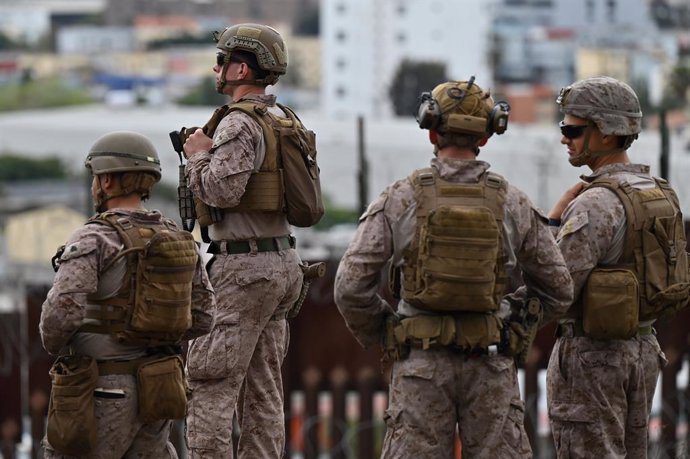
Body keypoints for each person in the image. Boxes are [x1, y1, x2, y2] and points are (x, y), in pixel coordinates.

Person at [334, 78, 574, 458]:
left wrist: (388, 331)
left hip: (420, 366)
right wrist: (513, 319)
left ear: (431, 132)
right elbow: (558, 288)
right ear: (487, 136)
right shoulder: (512, 201)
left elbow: (350, 286)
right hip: (491, 364)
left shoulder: (401, 197)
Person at [39, 131, 216, 458]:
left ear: (106, 183)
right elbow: (204, 316)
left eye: (97, 177)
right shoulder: (177, 237)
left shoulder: (96, 237)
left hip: (104, 388)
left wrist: (57, 345)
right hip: (160, 388)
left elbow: (62, 312)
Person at [182, 23, 307, 459]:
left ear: (240, 68)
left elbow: (221, 191)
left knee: (210, 381)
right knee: (264, 387)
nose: (216, 67)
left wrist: (197, 154)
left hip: (243, 268)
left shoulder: (239, 123)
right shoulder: (281, 118)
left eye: (222, 60)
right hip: (281, 263)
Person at [546, 76, 687, 457]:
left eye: (572, 129)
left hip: (594, 360)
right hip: (642, 350)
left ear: (607, 134)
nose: (564, 138)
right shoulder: (659, 193)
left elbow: (555, 287)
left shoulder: (595, 203)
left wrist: (552, 224)